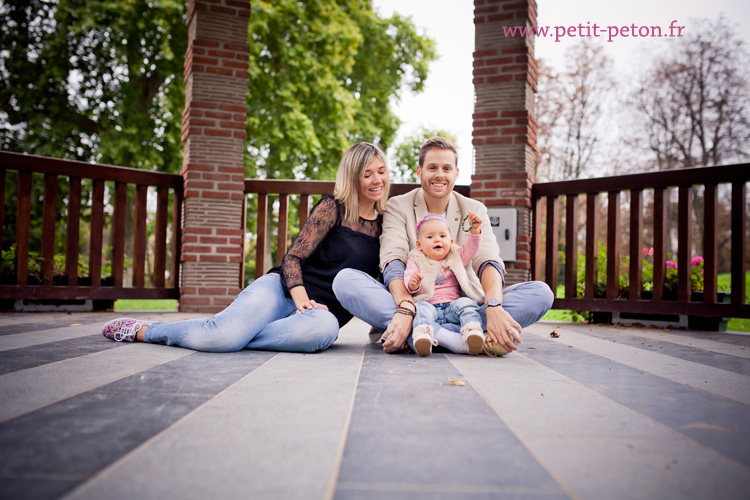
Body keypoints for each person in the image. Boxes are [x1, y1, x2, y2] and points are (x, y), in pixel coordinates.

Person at [102, 142, 390, 353]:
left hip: (322, 316)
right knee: (221, 337)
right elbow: (292, 258)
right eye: (367, 174)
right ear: (353, 177)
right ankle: (144, 330)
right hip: (284, 290)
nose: (377, 180)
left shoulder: (386, 224)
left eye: (381, 171)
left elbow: (379, 282)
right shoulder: (332, 208)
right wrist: (301, 298)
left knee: (322, 333)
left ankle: (232, 333)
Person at [333, 136, 554, 356]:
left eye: (447, 168)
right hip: (414, 306)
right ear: (419, 172)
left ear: (456, 173)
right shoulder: (397, 206)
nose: (439, 174)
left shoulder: (474, 208)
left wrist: (494, 305)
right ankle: (460, 340)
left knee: (541, 294)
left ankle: (421, 336)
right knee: (345, 281)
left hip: (465, 308)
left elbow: (487, 259)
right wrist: (405, 307)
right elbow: (393, 261)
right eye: (432, 167)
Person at [405, 213, 485, 357]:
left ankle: (472, 331)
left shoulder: (456, 255)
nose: (437, 240)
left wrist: (474, 231)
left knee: (467, 303)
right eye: (430, 237)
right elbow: (408, 276)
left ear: (451, 241)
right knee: (421, 308)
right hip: (430, 306)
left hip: (452, 307)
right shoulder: (416, 259)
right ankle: (423, 335)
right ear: (419, 245)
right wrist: (412, 283)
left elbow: (471, 248)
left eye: (443, 236)